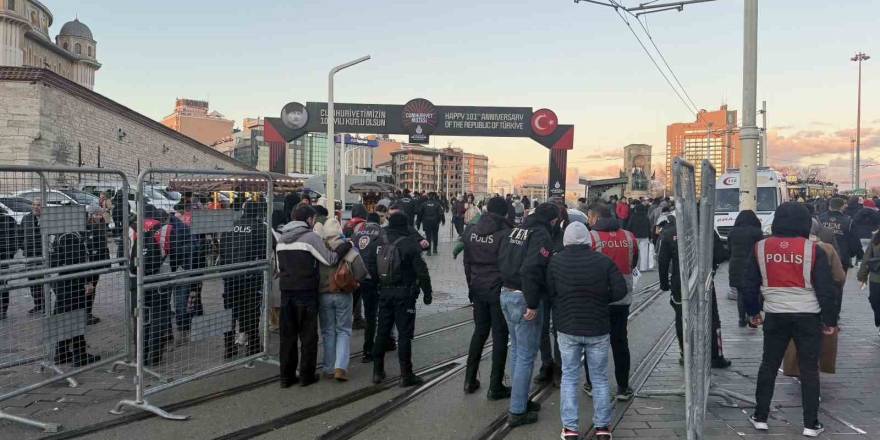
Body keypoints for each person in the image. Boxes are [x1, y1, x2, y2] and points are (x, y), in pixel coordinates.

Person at [741, 202, 838, 438]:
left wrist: (753, 312)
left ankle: (760, 416)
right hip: (808, 316)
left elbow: (749, 284)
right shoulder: (814, 250)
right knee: (809, 369)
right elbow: (826, 289)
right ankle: (810, 423)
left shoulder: (760, 248)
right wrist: (830, 320)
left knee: (769, 365)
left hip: (775, 315)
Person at [548, 222, 628, 440]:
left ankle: (570, 429)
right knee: (600, 378)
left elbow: (548, 291)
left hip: (567, 327)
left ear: (565, 240)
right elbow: (621, 290)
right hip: (598, 328)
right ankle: (602, 428)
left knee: (570, 377)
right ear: (588, 239)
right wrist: (602, 300)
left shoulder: (555, 262)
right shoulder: (604, 261)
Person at [275, 204, 352, 388]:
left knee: (287, 337)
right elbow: (330, 259)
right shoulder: (310, 237)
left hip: (285, 293)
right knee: (308, 336)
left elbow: (279, 269)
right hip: (306, 292)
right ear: (309, 220)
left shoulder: (281, 239)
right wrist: (346, 245)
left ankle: (286, 377)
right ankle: (306, 376)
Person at [498, 203, 559, 427]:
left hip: (506, 292)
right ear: (553, 220)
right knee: (525, 355)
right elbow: (532, 269)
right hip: (524, 298)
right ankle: (517, 411)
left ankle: (520, 399)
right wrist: (533, 303)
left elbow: (502, 259)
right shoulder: (541, 234)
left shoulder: (516, 229)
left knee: (516, 350)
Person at [582, 204, 637, 400]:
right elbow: (634, 263)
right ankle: (623, 387)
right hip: (623, 297)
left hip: (597, 298)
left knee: (593, 342)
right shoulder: (629, 237)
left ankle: (592, 384)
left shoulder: (591, 237)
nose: (588, 221)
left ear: (595, 218)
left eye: (589, 217)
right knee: (620, 341)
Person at [372, 212, 433, 387]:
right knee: (405, 334)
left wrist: (378, 287)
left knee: (382, 331)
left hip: (384, 293)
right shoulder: (409, 244)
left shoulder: (379, 242)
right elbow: (422, 271)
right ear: (405, 226)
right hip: (404, 296)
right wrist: (427, 293)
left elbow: (371, 266)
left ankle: (377, 371)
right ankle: (406, 374)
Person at [462, 197, 511, 399]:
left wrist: (471, 286)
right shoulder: (505, 233)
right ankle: (495, 385)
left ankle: (469, 380)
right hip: (497, 289)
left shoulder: (471, 231)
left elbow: (467, 263)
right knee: (500, 336)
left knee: (479, 333)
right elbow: (508, 265)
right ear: (505, 213)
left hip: (477, 286)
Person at [318, 218, 368, 381]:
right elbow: (361, 271)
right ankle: (340, 368)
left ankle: (328, 369)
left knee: (328, 332)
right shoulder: (348, 248)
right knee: (343, 331)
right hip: (343, 295)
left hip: (324, 295)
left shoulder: (320, 248)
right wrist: (353, 283)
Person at [219, 198, 267, 359]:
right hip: (250, 278)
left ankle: (228, 347)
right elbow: (264, 254)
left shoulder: (229, 227)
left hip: (230, 276)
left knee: (229, 313)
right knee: (250, 311)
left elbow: (222, 251)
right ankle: (253, 345)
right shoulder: (260, 228)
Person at [51, 230, 101, 367]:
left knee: (64, 316)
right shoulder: (70, 236)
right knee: (75, 317)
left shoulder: (61, 235)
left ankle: (62, 353)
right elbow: (75, 262)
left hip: (63, 282)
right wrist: (86, 281)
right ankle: (79, 354)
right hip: (70, 284)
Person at [354, 213, 385, 363]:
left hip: (356, 278)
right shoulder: (381, 234)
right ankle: (371, 349)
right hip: (373, 279)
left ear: (366, 221)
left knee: (361, 314)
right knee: (373, 315)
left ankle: (362, 350)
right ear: (379, 221)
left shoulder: (357, 233)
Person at [726, 210, 765, 327]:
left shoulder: (733, 232)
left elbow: (729, 249)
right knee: (754, 291)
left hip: (736, 265)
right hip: (753, 265)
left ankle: (741, 319)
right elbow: (761, 249)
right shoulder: (757, 232)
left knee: (741, 293)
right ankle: (752, 317)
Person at [84, 204, 110, 325]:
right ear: (90, 214)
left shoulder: (101, 226)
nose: (99, 216)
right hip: (89, 264)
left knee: (92, 288)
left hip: (97, 264)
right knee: (88, 289)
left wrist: (106, 264)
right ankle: (85, 314)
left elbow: (103, 247)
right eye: (96, 214)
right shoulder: (87, 228)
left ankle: (88, 312)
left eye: (100, 214)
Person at [345, 204, 370, 330]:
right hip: (358, 260)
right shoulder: (364, 225)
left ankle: (350, 317)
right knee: (358, 291)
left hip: (346, 261)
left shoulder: (347, 224)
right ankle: (357, 319)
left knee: (351, 290)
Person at [858, 228, 880, 336]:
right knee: (874, 300)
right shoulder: (876, 237)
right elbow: (867, 256)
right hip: (876, 277)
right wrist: (862, 275)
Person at [625, 202, 652, 271]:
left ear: (636, 209)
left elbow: (629, 227)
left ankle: (634, 266)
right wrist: (650, 236)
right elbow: (649, 228)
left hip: (634, 237)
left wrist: (627, 235)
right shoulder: (646, 217)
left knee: (633, 252)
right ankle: (643, 268)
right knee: (644, 252)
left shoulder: (633, 217)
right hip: (644, 236)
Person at [0, 210, 17, 320]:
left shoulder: (7, 220)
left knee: (3, 284)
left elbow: (14, 239)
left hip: (3, 257)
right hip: (4, 256)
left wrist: (10, 254)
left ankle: (3, 310)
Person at [417, 192, 445, 256]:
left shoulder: (424, 204)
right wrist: (443, 221)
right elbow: (441, 213)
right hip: (435, 221)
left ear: (428, 197)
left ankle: (428, 251)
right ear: (434, 197)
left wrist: (419, 221)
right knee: (435, 235)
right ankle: (435, 249)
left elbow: (419, 213)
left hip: (426, 221)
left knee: (428, 236)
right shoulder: (437, 204)